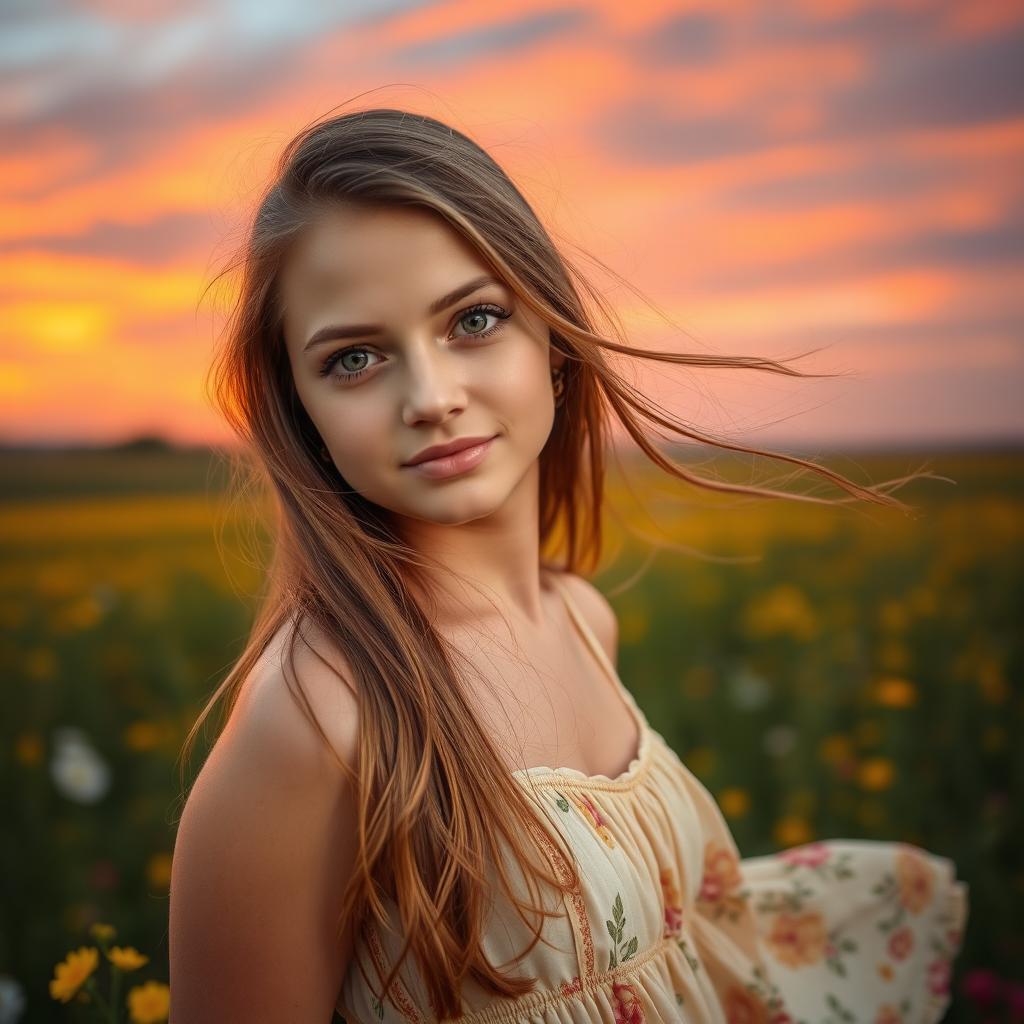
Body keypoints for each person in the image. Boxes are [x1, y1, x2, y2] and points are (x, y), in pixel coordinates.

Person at [167, 105, 968, 1023]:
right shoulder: (314, 717)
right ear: (297, 405)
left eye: (473, 319)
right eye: (354, 358)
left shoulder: (584, 619)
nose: (431, 398)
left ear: (552, 339)